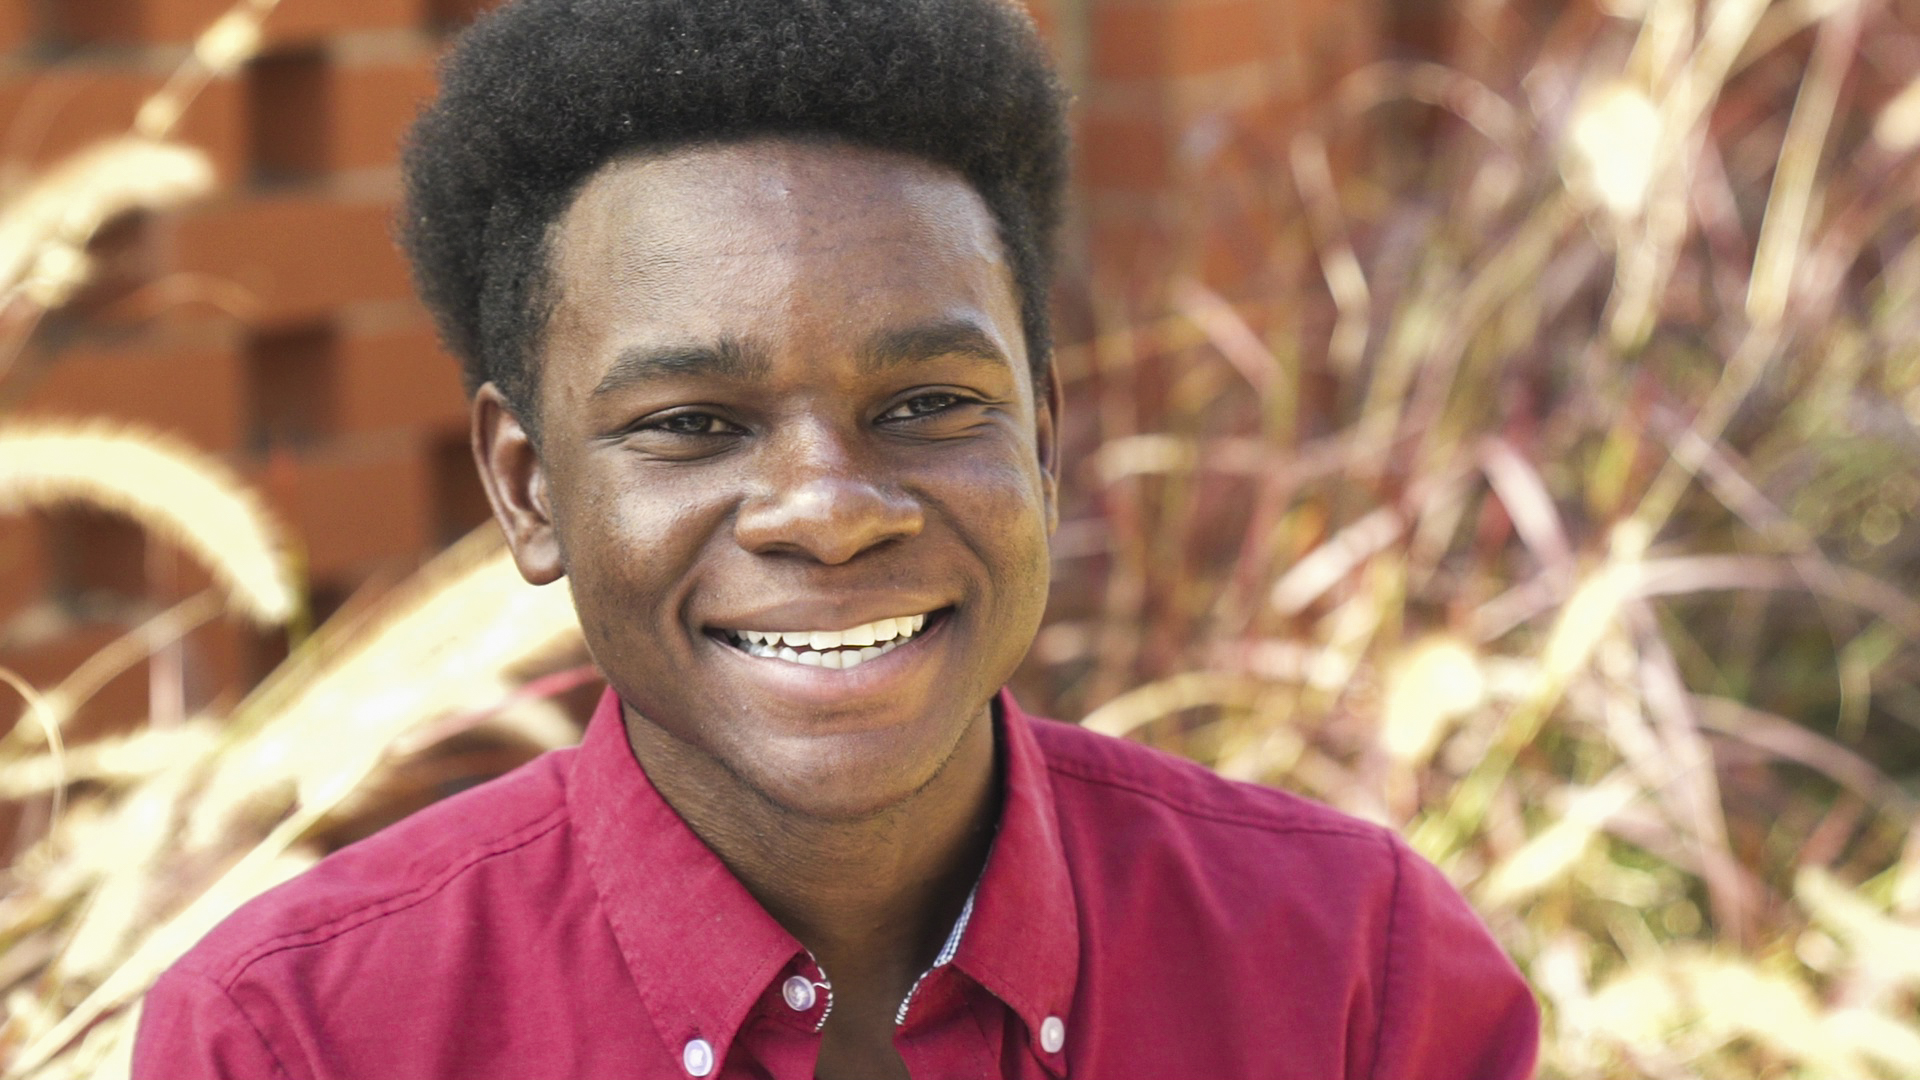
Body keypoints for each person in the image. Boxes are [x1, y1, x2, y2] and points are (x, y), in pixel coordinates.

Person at [132, 1, 1540, 1076]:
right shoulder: (297, 1038)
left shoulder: (1358, 970)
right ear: (528, 489)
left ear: (1042, 439)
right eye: (693, 422)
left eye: (928, 403)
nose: (829, 508)